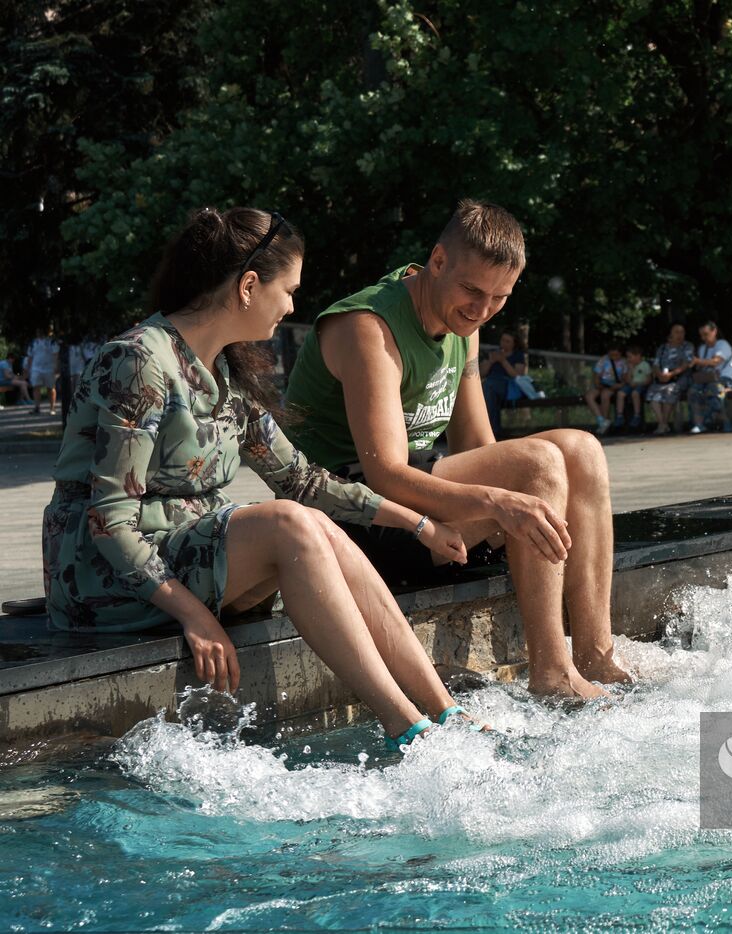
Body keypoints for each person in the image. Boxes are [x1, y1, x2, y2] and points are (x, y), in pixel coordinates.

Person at [41, 207, 488, 752]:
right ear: (249, 286)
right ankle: (405, 728)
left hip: (182, 555)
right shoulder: (137, 362)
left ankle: (443, 713)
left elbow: (301, 479)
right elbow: (110, 521)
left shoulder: (225, 371)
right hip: (101, 580)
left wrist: (416, 522)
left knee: (312, 524)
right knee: (290, 526)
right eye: (289, 290)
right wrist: (194, 614)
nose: (294, 305)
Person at [285, 198, 629, 700]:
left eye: (499, 298)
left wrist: (516, 504)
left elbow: (475, 445)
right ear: (438, 261)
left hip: (417, 501)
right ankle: (553, 676)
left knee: (580, 450)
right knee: (538, 464)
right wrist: (497, 502)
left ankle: (595, 656)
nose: (482, 309)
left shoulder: (462, 322)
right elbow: (384, 474)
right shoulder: (368, 327)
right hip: (352, 519)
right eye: (472, 291)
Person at [686, 321, 732, 434]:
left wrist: (697, 361)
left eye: (706, 334)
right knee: (693, 391)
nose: (703, 337)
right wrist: (693, 364)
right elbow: (701, 365)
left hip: (725, 379)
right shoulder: (702, 348)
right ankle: (699, 424)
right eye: (701, 335)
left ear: (714, 331)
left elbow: (716, 361)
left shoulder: (723, 345)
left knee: (713, 390)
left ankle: (725, 421)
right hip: (707, 378)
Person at [646, 323, 694, 435]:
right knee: (653, 394)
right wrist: (660, 375)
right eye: (677, 332)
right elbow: (656, 364)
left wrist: (671, 374)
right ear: (670, 334)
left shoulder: (687, 346)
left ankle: (663, 425)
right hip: (662, 379)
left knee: (670, 391)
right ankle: (662, 423)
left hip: (680, 378)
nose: (680, 334)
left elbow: (686, 364)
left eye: (682, 332)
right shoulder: (662, 348)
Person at [481, 330, 527, 438]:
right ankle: (491, 430)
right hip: (490, 384)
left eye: (507, 341)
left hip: (507, 385)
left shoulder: (518, 356)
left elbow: (517, 375)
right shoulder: (493, 353)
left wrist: (503, 361)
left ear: (514, 344)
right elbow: (482, 373)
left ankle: (492, 430)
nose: (504, 344)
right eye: (502, 340)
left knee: (488, 387)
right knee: (488, 389)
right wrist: (491, 361)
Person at [585, 344, 627, 435]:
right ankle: (601, 419)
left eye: (616, 355)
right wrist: (597, 384)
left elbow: (625, 378)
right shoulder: (604, 359)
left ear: (620, 354)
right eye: (611, 355)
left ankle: (605, 420)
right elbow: (596, 374)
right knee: (589, 396)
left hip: (615, 386)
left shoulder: (624, 362)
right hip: (602, 384)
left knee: (605, 395)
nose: (613, 357)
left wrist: (618, 385)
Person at [24, 327, 60, 415]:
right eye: (38, 331)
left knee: (50, 388)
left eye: (40, 330)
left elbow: (56, 354)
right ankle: (37, 407)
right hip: (36, 368)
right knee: (36, 387)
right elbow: (30, 357)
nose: (39, 332)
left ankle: (52, 408)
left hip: (49, 368)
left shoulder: (52, 342)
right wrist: (28, 369)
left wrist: (56, 366)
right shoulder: (33, 343)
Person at [619, 344, 652, 430]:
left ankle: (637, 415)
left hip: (641, 386)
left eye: (630, 357)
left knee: (635, 393)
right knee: (620, 393)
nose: (628, 359)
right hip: (631, 385)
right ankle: (620, 415)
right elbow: (627, 379)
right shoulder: (629, 366)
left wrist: (638, 384)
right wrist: (630, 370)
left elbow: (648, 380)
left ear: (638, 356)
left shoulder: (645, 365)